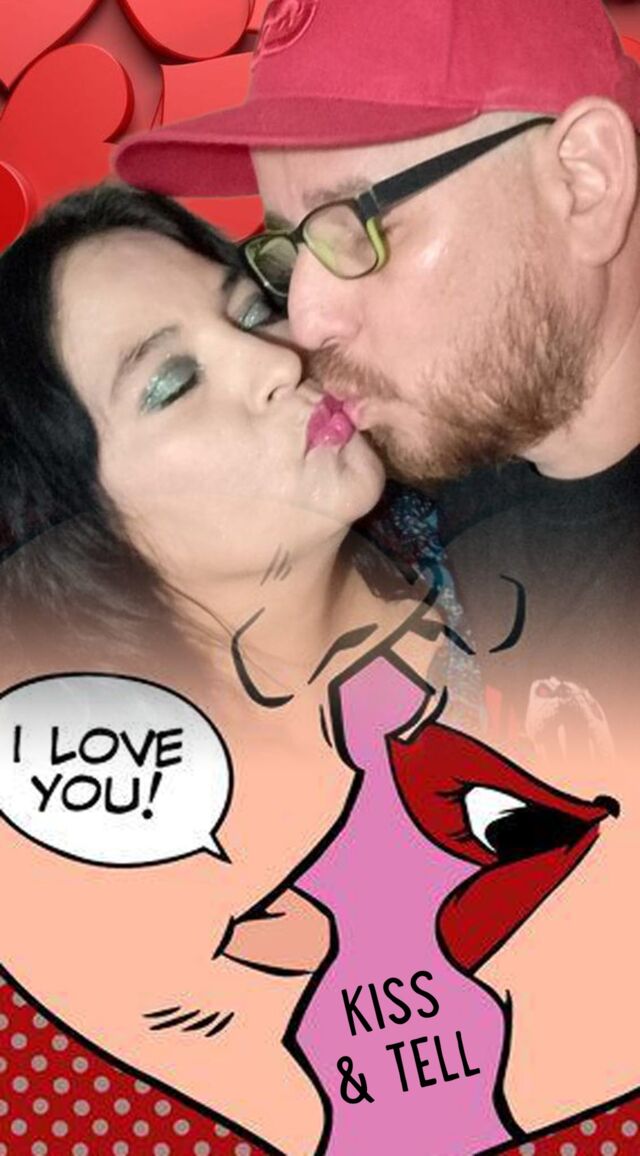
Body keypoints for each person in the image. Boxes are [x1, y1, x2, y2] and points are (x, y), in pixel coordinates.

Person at [113, 0, 640, 1148]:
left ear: (586, 180)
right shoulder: (413, 500)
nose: (305, 319)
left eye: (358, 222)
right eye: (287, 247)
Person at [0, 183, 496, 1156]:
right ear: (67, 532)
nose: (277, 361)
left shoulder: (529, 530)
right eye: (171, 383)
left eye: (252, 309)